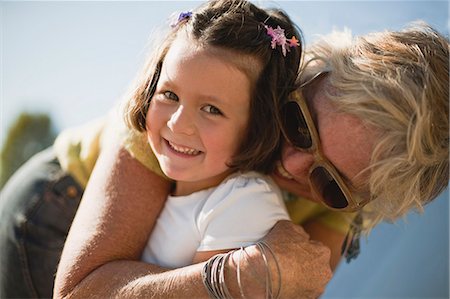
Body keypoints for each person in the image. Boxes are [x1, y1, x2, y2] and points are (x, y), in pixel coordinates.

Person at [0, 4, 447, 298]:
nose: (291, 165)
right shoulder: (193, 101)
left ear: (361, 202)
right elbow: (81, 293)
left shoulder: (349, 201)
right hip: (59, 209)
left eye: (329, 183)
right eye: (299, 124)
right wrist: (240, 275)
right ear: (309, 76)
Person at [124, 1, 301, 273]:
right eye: (170, 95)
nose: (178, 123)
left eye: (211, 109)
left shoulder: (243, 200)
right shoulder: (173, 187)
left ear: (259, 126)